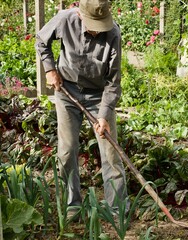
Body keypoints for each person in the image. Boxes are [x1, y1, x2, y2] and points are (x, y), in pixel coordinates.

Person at [35, 0, 128, 219]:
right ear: (80, 15)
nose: (97, 31)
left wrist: (104, 115)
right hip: (67, 91)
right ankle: (72, 205)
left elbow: (113, 82)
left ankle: (117, 210)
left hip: (98, 95)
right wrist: (50, 70)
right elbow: (41, 40)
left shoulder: (113, 33)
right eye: (93, 24)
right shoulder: (65, 19)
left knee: (111, 152)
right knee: (67, 150)